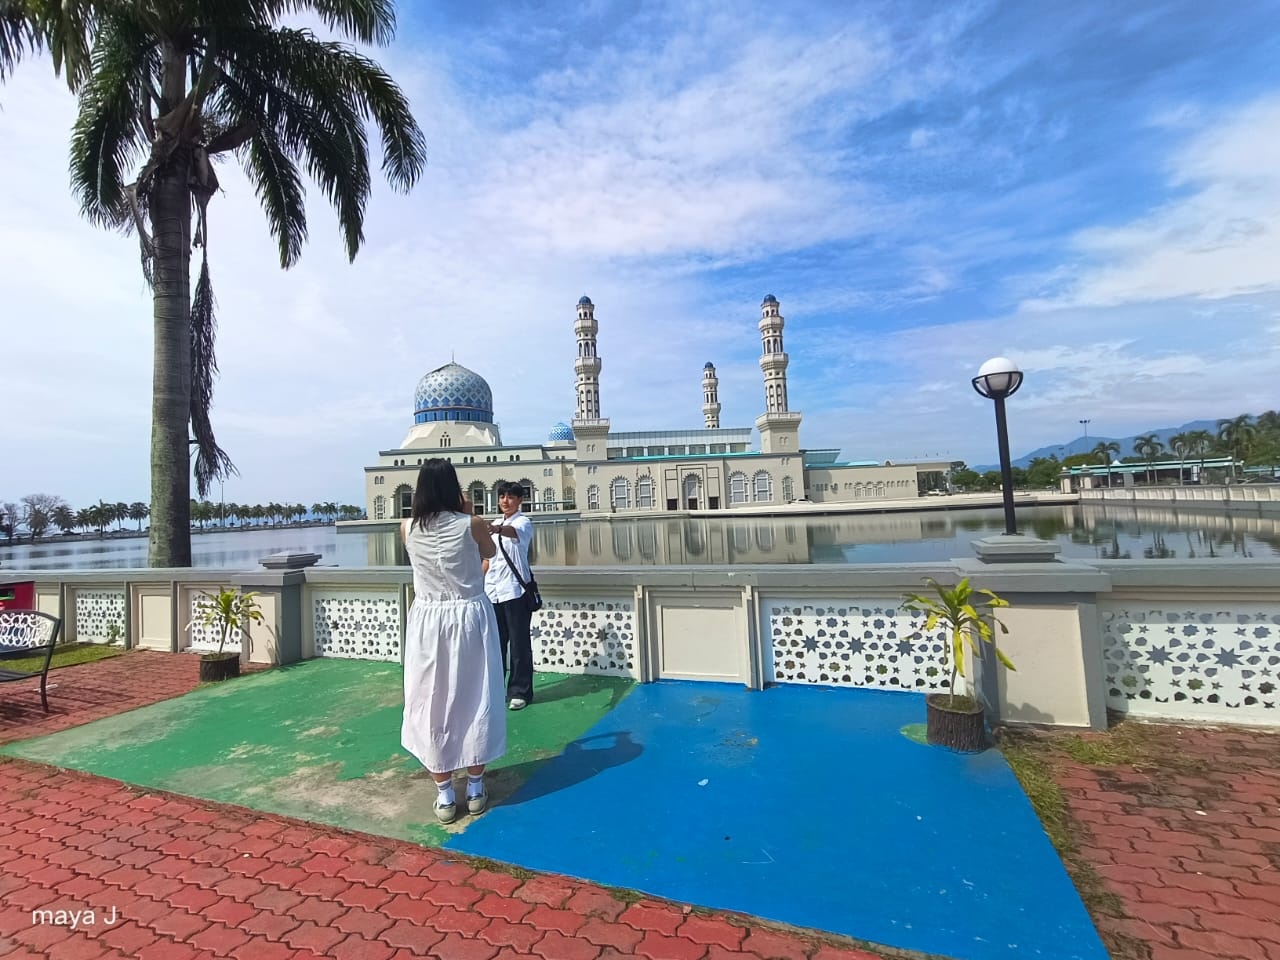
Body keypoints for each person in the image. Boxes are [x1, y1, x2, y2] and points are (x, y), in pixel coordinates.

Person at [401, 459, 506, 824]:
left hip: (428, 622)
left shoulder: (407, 527)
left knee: (430, 699)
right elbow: (490, 553)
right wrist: (468, 512)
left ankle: (445, 793)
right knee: (476, 696)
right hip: (469, 617)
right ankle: (475, 787)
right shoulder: (471, 524)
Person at [483, 481, 536, 710]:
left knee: (519, 644)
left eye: (511, 497)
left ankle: (520, 691)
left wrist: (496, 530)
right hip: (492, 592)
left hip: (515, 591)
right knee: (495, 644)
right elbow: (488, 559)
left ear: (520, 500)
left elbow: (513, 533)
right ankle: (495, 689)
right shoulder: (494, 524)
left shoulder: (523, 522)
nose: (505, 501)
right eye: (502, 496)